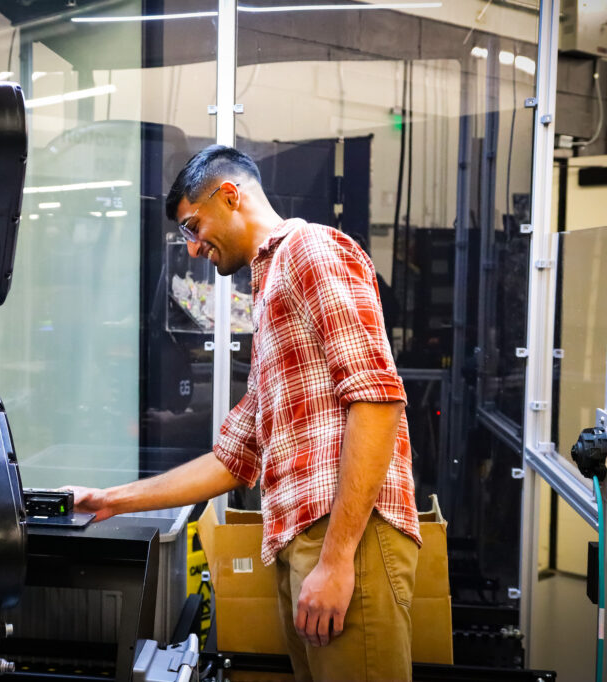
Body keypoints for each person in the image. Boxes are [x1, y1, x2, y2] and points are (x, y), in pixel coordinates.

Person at [66, 145, 421, 682]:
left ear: (229, 196)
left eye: (192, 225)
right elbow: (234, 459)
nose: (190, 248)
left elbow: (376, 397)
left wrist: (336, 559)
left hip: (347, 539)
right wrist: (111, 501)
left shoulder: (310, 250)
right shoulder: (272, 283)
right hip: (311, 542)